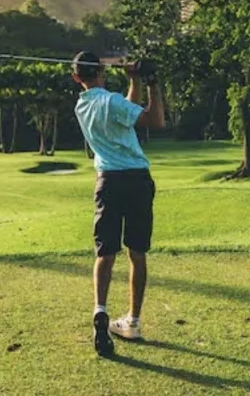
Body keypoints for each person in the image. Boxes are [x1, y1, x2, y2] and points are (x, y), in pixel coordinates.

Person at [71, 51, 165, 357]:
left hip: (107, 181)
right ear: (101, 72)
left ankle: (101, 310)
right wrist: (152, 82)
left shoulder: (83, 105)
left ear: (76, 78)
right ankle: (133, 322)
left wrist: (134, 80)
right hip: (136, 180)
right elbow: (156, 120)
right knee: (136, 253)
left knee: (105, 252)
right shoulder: (112, 101)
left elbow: (128, 111)